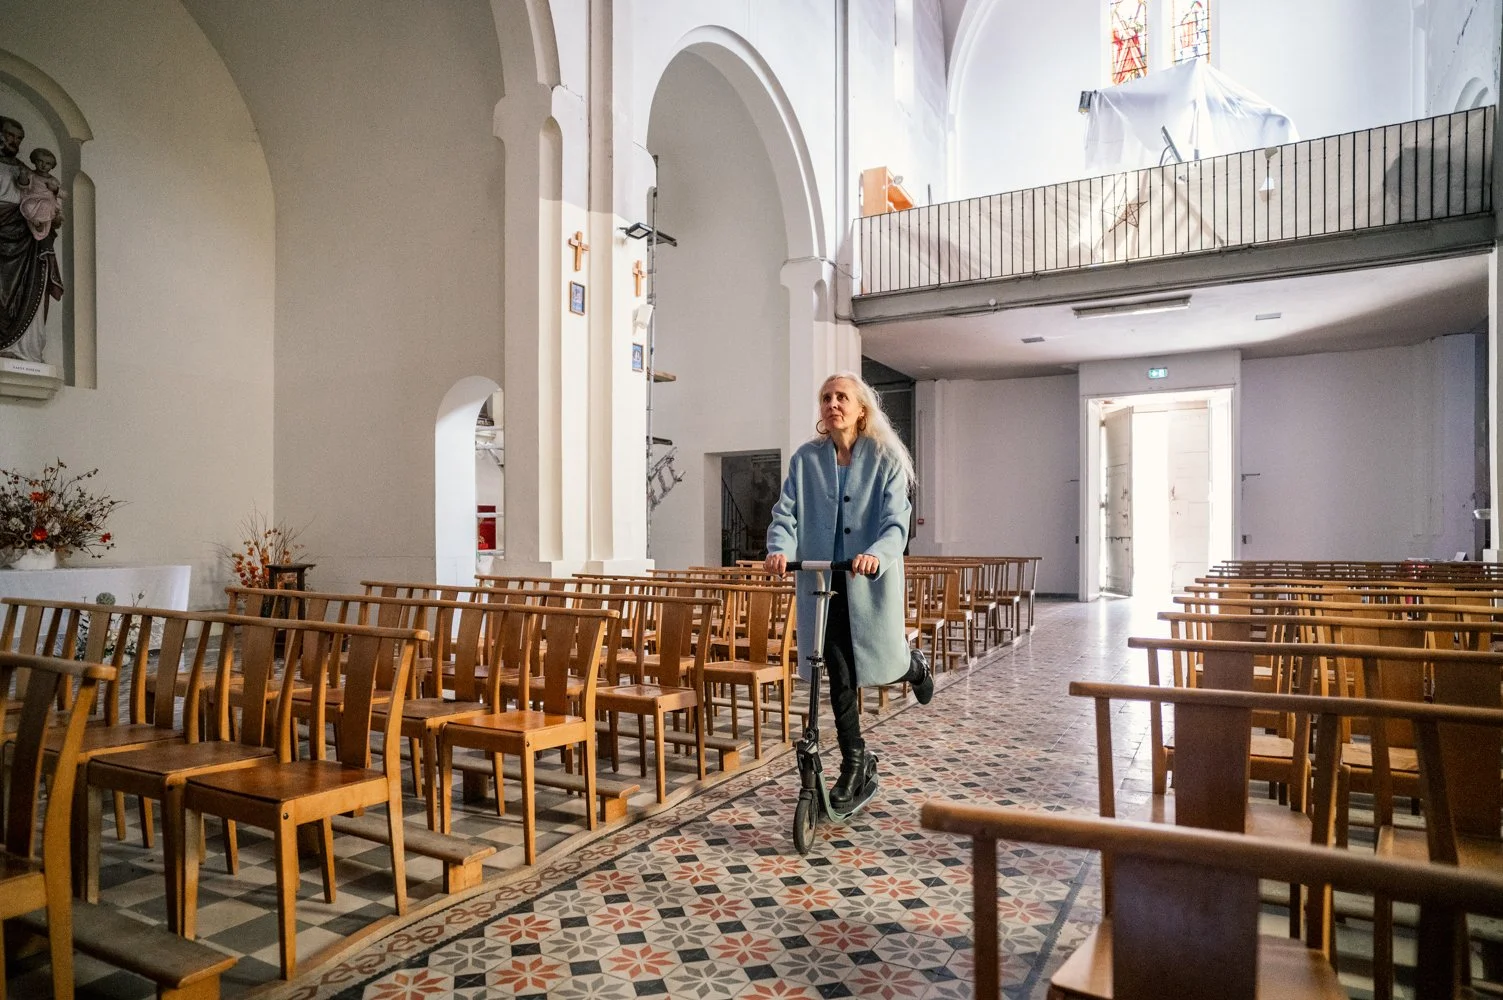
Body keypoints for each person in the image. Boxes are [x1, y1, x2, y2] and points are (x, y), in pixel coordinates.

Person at [765, 371, 933, 812]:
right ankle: (854, 762)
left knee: (881, 663)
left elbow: (897, 523)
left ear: (861, 409)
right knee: (837, 673)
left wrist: (876, 553)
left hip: (866, 580)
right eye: (826, 398)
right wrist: (779, 550)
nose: (832, 404)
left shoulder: (885, 458)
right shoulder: (805, 460)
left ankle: (913, 667)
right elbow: (785, 515)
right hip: (823, 583)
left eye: (841, 397)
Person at [0, 115, 64, 364]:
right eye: (9, 135)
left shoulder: (27, 173)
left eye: (19, 138)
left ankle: (22, 349)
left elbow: (47, 207)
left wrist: (51, 219)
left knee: (29, 287)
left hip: (26, 243)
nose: (14, 141)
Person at [18, 147, 63, 240]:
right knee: (27, 205)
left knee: (46, 205)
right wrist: (22, 174)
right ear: (34, 161)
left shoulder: (53, 180)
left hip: (47, 200)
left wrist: (55, 189)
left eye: (48, 163)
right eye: (40, 161)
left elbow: (60, 195)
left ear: (52, 166)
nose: (43, 165)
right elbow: (23, 185)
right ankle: (35, 222)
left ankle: (41, 224)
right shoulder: (31, 175)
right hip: (33, 198)